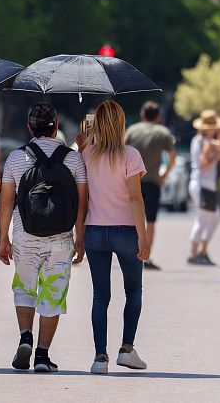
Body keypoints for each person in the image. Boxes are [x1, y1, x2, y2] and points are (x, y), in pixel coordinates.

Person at [0, 103, 87, 373]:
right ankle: (42, 356)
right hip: (60, 238)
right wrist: (79, 239)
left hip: (25, 235)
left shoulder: (16, 158)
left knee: (24, 288)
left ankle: (25, 336)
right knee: (53, 294)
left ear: (29, 127)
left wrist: (4, 238)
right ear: (56, 124)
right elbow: (82, 204)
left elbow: (5, 203)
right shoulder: (73, 159)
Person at [76, 100, 149, 375]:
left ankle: (100, 358)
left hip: (94, 230)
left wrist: (79, 236)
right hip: (126, 230)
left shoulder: (86, 154)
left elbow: (82, 200)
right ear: (121, 124)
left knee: (100, 296)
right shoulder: (130, 155)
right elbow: (134, 197)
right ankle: (127, 349)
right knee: (133, 291)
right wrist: (143, 236)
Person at [125, 101, 175, 270]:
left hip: (133, 180)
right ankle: (146, 257)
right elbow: (172, 156)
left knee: (131, 218)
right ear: (158, 116)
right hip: (153, 180)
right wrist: (164, 174)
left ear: (142, 115)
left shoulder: (132, 130)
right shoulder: (164, 132)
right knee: (151, 220)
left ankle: (130, 253)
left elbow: (121, 151)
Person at [187, 110, 220, 266]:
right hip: (203, 184)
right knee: (204, 219)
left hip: (201, 184)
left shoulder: (200, 140)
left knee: (212, 218)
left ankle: (200, 250)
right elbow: (204, 164)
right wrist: (216, 159)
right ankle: (195, 252)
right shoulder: (206, 143)